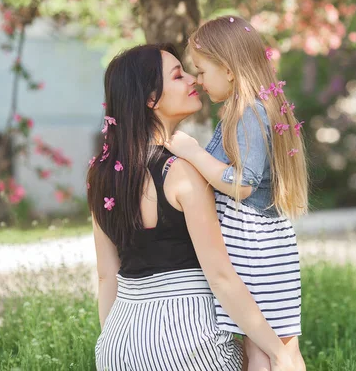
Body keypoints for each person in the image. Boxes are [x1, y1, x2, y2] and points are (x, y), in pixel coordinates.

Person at [87, 43, 294, 371]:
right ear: (151, 99)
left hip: (118, 343)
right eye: (178, 75)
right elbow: (220, 277)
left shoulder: (99, 174)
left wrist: (116, 343)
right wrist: (279, 351)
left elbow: (106, 275)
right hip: (187, 339)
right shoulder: (182, 172)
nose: (191, 81)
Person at [165, 16, 309, 371]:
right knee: (277, 346)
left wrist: (194, 152)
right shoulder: (251, 111)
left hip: (252, 246)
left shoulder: (249, 113)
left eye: (201, 70)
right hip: (266, 244)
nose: (197, 80)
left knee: (264, 347)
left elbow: (242, 183)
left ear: (228, 70)